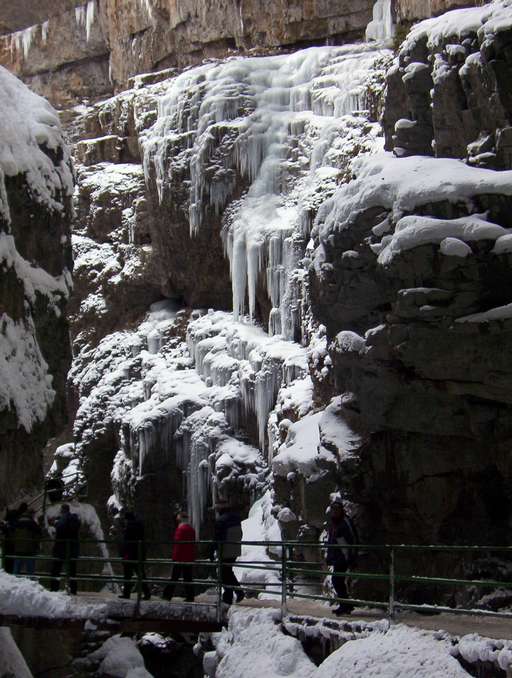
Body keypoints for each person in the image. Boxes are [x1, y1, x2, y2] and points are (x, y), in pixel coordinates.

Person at [326, 498, 359, 616]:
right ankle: (345, 605)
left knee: (336, 580)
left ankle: (345, 605)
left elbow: (352, 539)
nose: (335, 512)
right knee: (338, 580)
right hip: (338, 557)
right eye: (333, 510)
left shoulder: (344, 522)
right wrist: (329, 557)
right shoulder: (334, 522)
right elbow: (331, 541)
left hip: (344, 557)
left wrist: (351, 556)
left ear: (341, 510)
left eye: (337, 509)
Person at [212, 502, 244, 605]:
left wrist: (212, 550)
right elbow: (241, 533)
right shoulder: (236, 518)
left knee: (224, 573)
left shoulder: (221, 520)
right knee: (227, 571)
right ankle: (233, 594)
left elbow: (217, 537)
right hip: (235, 548)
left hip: (225, 549)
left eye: (217, 509)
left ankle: (232, 594)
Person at [163, 511, 197, 602]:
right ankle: (190, 596)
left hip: (180, 558)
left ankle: (167, 595)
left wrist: (174, 557)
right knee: (188, 578)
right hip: (189, 557)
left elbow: (177, 545)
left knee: (174, 577)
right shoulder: (192, 529)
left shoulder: (180, 529)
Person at [50, 504, 81, 594]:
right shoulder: (74, 520)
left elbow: (61, 528)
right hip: (72, 548)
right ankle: (73, 589)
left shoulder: (62, 519)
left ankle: (54, 588)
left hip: (61, 548)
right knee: (72, 570)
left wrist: (56, 524)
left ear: (63, 510)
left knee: (56, 569)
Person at [119, 512, 151, 600]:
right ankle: (147, 593)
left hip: (130, 555)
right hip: (139, 554)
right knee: (141, 575)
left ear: (127, 519)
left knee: (127, 575)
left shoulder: (129, 528)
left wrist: (124, 554)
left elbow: (127, 544)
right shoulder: (140, 527)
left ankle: (126, 594)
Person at [12, 507, 42, 576]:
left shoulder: (17, 522)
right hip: (29, 549)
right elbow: (39, 533)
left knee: (16, 569)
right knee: (30, 570)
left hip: (18, 549)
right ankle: (30, 582)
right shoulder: (32, 523)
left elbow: (12, 533)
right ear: (32, 514)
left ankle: (13, 582)